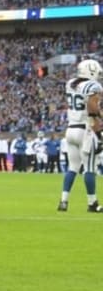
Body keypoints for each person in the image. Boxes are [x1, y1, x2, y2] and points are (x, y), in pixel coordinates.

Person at [57, 59, 103, 213]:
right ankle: (92, 203)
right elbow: (91, 108)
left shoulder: (71, 83)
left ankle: (63, 201)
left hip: (70, 129)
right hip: (85, 129)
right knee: (90, 168)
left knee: (72, 167)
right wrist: (98, 132)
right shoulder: (93, 86)